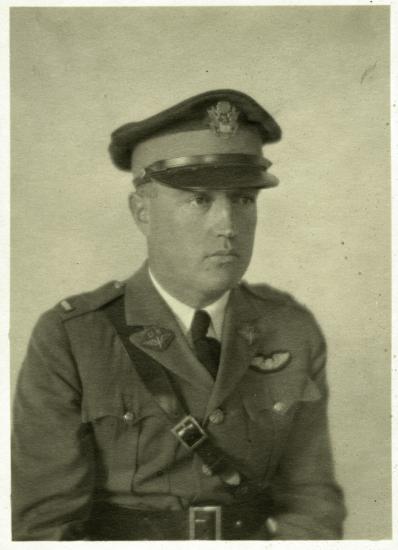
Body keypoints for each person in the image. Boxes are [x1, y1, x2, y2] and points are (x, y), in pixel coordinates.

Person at [12, 89, 346, 540]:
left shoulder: (290, 329)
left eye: (244, 200)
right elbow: (45, 527)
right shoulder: (73, 337)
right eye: (199, 200)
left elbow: (311, 503)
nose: (227, 225)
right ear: (142, 212)